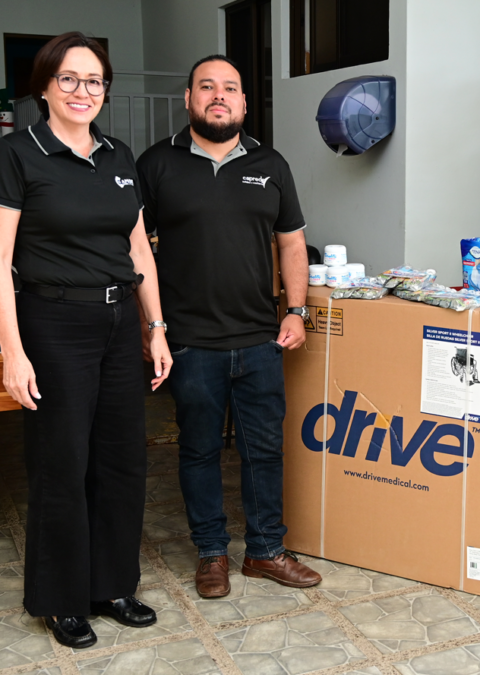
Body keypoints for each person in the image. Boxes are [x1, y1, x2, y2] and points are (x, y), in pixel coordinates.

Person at [0, 32, 171, 648]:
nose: (82, 91)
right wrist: (13, 352)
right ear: (44, 86)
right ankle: (61, 598)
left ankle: (113, 585)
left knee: (123, 459)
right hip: (54, 324)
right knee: (61, 464)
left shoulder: (119, 156)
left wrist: (155, 328)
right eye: (68, 78)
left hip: (121, 322)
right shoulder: (18, 154)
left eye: (94, 80)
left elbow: (138, 249)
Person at [136, 55, 320, 599]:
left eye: (230, 88)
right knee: (197, 451)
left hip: (261, 338)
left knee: (265, 450)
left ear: (243, 102)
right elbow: (133, 249)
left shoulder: (272, 164)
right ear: (189, 99)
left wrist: (296, 309)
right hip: (190, 342)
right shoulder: (156, 165)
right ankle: (211, 554)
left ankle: (265, 551)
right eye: (207, 87)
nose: (219, 96)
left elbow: (291, 243)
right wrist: (153, 327)